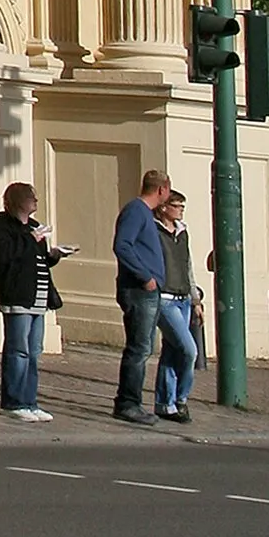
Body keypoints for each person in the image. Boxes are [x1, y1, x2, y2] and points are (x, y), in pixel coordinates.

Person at [0, 180, 63, 420]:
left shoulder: (34, 226)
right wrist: (30, 240)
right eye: (32, 197)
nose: (36, 202)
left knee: (34, 351)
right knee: (18, 349)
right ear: (19, 200)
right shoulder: (2, 225)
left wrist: (53, 254)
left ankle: (30, 400)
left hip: (39, 296)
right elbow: (6, 256)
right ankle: (14, 401)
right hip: (17, 295)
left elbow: (37, 258)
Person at [113, 168, 172, 423]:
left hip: (148, 290)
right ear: (161, 190)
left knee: (143, 347)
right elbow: (122, 245)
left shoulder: (143, 213)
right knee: (139, 348)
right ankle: (128, 403)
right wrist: (145, 276)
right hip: (139, 291)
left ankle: (130, 401)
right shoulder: (136, 211)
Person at [155, 189, 199, 422]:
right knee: (189, 350)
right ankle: (181, 399)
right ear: (164, 207)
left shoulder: (183, 233)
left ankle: (165, 403)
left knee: (172, 352)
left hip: (184, 298)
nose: (181, 210)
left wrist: (195, 298)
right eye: (177, 205)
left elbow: (187, 265)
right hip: (165, 298)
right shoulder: (155, 230)